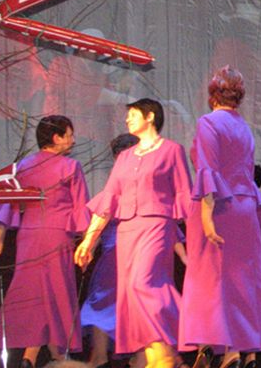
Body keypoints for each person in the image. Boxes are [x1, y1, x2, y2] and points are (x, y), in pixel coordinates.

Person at [74, 98, 193, 367]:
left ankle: (167, 348)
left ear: (150, 117)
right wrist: (89, 240)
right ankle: (159, 356)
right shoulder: (126, 157)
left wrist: (197, 240)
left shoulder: (172, 150)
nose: (127, 119)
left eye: (133, 114)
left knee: (144, 283)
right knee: (130, 292)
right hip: (127, 230)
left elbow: (185, 196)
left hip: (157, 226)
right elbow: (109, 199)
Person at [179, 66, 261, 368]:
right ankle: (235, 348)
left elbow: (208, 171)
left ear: (213, 95)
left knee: (213, 281)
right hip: (245, 209)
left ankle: (226, 350)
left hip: (220, 208)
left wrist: (207, 217)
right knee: (240, 281)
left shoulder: (209, 122)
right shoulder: (243, 126)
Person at [0, 115, 90, 368]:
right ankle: (50, 356)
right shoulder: (70, 166)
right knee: (55, 293)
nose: (72, 140)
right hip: (57, 236)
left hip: (29, 237)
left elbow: (8, 204)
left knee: (33, 295)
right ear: (56, 138)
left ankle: (35, 357)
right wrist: (87, 242)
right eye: (69, 135)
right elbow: (81, 208)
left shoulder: (24, 166)